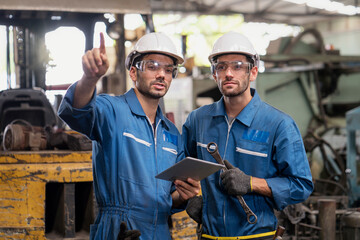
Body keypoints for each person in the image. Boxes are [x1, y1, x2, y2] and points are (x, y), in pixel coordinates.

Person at [58, 32, 200, 240]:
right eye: (152, 66)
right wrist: (90, 78)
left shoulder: (171, 133)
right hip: (119, 229)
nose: (161, 74)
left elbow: (170, 196)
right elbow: (77, 110)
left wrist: (186, 193)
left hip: (159, 231)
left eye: (168, 70)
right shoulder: (112, 111)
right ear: (133, 72)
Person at [183, 31, 314, 239]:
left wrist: (252, 183)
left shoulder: (279, 124)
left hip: (257, 236)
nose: (228, 73)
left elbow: (301, 185)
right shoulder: (197, 121)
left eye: (237, 66)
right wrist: (192, 196)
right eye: (221, 66)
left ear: (252, 72)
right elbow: (185, 170)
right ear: (214, 73)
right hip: (208, 236)